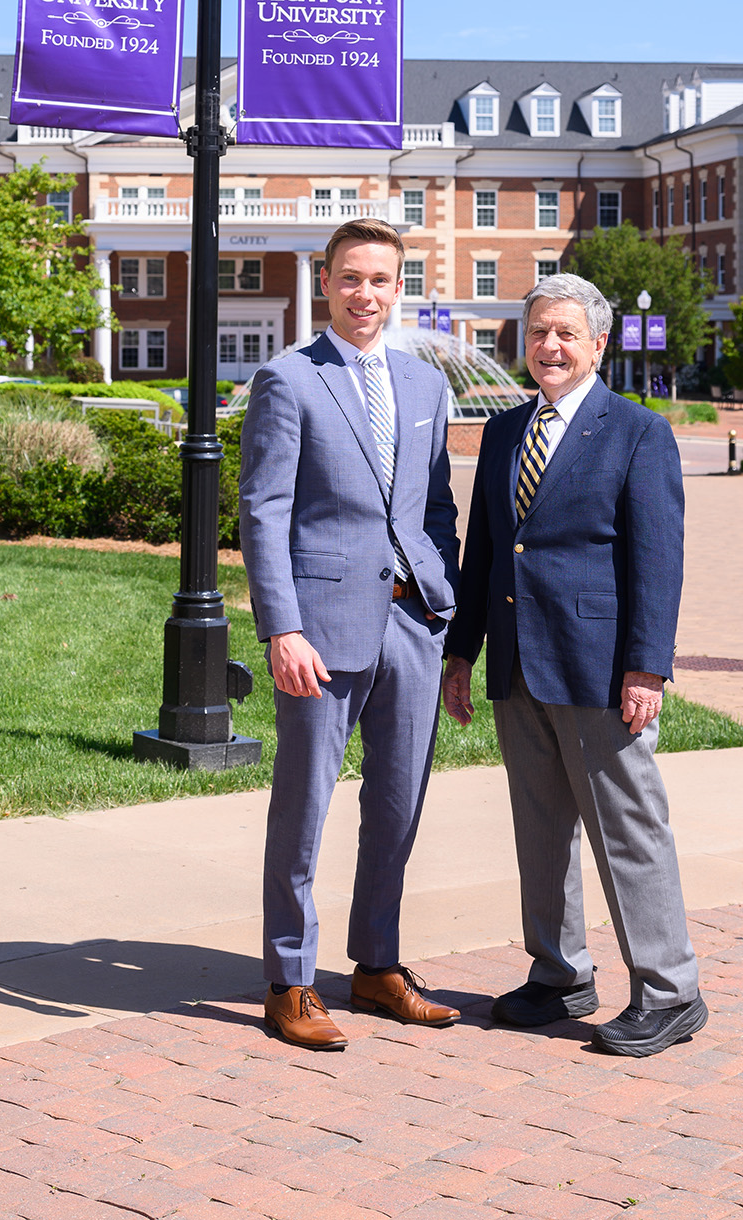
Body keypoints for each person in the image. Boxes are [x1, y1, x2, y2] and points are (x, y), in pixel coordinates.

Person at [442, 272, 707, 1057]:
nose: (549, 347)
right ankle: (560, 973)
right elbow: (485, 554)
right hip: (519, 665)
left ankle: (670, 990)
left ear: (598, 343)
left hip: (600, 669)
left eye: (566, 333)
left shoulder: (636, 432)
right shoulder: (500, 433)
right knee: (541, 829)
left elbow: (658, 560)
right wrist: (462, 651)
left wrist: (647, 667)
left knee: (628, 829)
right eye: (538, 333)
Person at [240, 218, 462, 1050]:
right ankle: (289, 980)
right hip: (321, 631)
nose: (366, 294)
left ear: (398, 288)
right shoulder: (289, 380)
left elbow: (435, 506)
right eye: (351, 279)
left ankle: (376, 965)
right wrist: (281, 626)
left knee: (398, 805)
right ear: (325, 281)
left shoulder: (424, 385)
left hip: (412, 622)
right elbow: (263, 510)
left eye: (381, 280)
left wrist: (445, 605)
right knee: (304, 809)